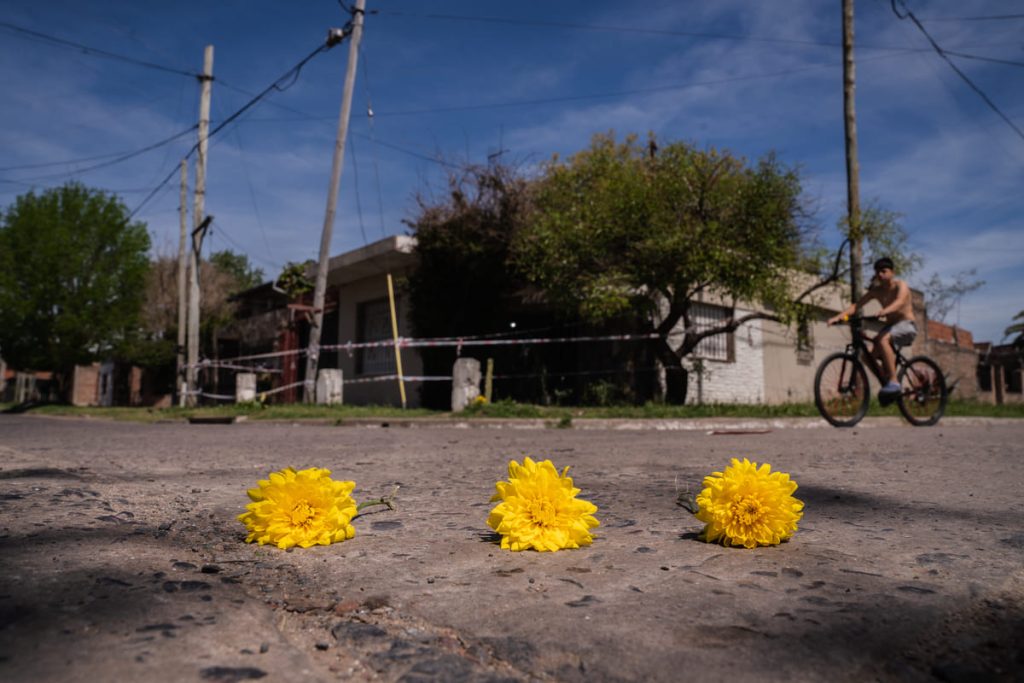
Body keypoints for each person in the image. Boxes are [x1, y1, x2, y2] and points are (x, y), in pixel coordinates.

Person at [828, 257, 917, 400]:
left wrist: (885, 310)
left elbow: (900, 301)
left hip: (906, 326)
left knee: (882, 340)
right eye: (877, 272)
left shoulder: (901, 285)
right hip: (890, 328)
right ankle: (887, 381)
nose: (880, 275)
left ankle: (894, 381)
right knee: (866, 356)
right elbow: (857, 306)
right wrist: (838, 317)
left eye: (884, 271)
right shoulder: (876, 291)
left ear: (892, 272)